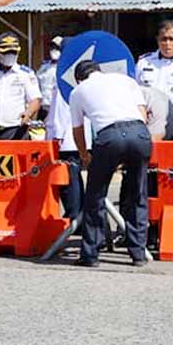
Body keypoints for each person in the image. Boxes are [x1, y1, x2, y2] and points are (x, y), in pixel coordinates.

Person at [69, 61, 150, 267]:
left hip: (110, 136)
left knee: (95, 196)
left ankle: (91, 254)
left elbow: (78, 129)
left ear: (79, 78)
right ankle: (138, 253)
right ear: (99, 71)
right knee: (137, 194)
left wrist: (84, 155)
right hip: (140, 133)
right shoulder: (125, 80)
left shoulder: (78, 91)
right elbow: (142, 113)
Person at [0, 32, 42, 140]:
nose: (10, 56)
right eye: (6, 53)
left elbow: (36, 100)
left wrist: (28, 113)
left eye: (13, 52)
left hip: (16, 131)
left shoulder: (25, 74)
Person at [45, 80, 90, 222]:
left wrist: (58, 135)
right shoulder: (80, 86)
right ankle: (78, 214)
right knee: (75, 178)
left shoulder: (62, 84)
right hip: (77, 138)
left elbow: (60, 111)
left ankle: (74, 214)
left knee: (69, 180)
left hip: (65, 138)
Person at [36, 36, 63, 122]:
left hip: (58, 108)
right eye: (52, 47)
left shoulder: (65, 68)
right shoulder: (44, 67)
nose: (53, 50)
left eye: (57, 48)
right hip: (43, 108)